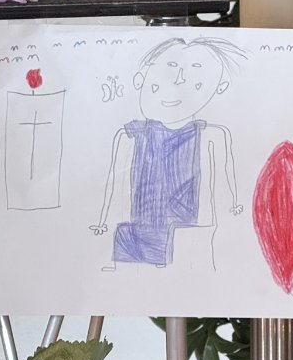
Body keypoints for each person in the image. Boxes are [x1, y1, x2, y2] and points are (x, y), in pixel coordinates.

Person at [90, 38, 247, 268]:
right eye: (169, 69)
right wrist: (103, 221)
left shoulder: (211, 136)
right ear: (140, 79)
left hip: (188, 239)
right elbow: (115, 185)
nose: (178, 80)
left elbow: (224, 186)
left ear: (218, 87)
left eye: (195, 79)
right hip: (136, 238)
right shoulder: (130, 135)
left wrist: (232, 215)